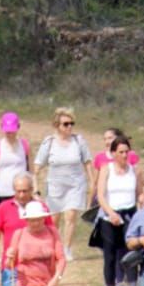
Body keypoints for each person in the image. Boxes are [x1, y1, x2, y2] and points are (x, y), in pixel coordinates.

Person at [94, 134, 144, 286]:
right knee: (109, 257)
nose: (125, 155)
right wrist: (110, 213)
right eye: (121, 152)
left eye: (127, 151)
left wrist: (142, 197)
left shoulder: (134, 170)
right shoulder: (106, 169)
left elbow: (139, 192)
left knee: (131, 254)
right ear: (114, 153)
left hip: (129, 215)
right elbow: (100, 195)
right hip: (109, 216)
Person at [34, 108, 93, 260]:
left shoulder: (79, 141)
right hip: (55, 185)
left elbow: (87, 162)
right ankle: (54, 246)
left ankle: (67, 248)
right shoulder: (49, 143)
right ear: (57, 125)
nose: (69, 127)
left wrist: (92, 181)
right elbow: (37, 165)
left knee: (71, 215)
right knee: (54, 219)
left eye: (71, 123)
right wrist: (35, 187)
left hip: (75, 184)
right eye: (65, 124)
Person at [0, 111, 31, 207]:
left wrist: (35, 190)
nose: (9, 134)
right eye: (7, 131)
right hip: (1, 193)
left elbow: (31, 170)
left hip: (21, 192)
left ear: (18, 127)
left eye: (12, 131)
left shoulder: (25, 145)